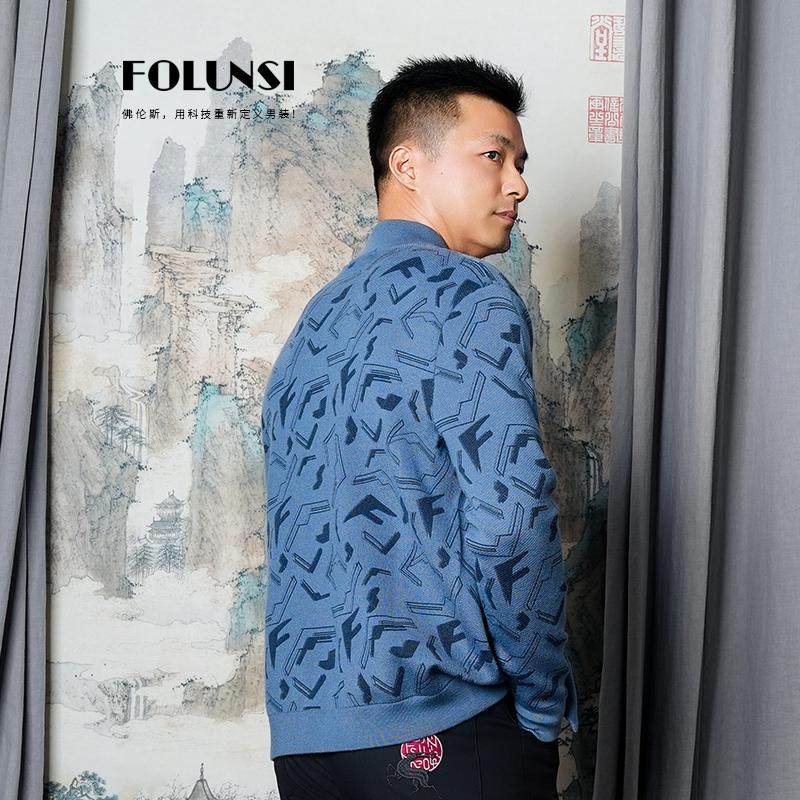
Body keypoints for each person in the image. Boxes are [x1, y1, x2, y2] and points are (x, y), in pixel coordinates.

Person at [261, 54, 579, 800]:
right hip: (445, 724)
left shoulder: (316, 322)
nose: (518, 184)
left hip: (308, 740)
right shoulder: (467, 294)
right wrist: (541, 704)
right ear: (406, 164)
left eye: (521, 164)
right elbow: (511, 520)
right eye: (494, 156)